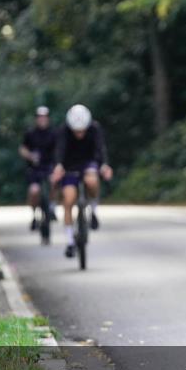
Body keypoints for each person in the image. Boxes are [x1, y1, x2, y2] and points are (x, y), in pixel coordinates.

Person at [50, 104, 113, 258]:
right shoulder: (63, 131)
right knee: (68, 200)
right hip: (69, 166)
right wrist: (58, 167)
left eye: (82, 130)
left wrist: (104, 166)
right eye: (76, 131)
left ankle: (93, 209)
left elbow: (100, 149)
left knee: (92, 181)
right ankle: (70, 241)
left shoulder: (95, 129)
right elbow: (59, 151)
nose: (79, 134)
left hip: (89, 163)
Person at [19, 106, 57, 230]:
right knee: (34, 191)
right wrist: (30, 156)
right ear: (36, 119)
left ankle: (51, 207)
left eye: (44, 117)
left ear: (48, 119)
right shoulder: (30, 133)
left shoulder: (54, 133)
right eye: (40, 117)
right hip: (34, 169)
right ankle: (34, 214)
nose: (42, 120)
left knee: (54, 181)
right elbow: (22, 149)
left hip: (49, 167)